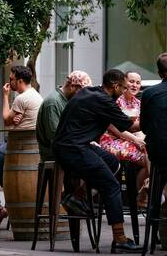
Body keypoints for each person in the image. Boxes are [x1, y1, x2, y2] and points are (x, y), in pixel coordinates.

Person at [52, 69, 140, 252]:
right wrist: (154, 118)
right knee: (112, 186)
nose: (124, 91)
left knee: (112, 162)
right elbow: (131, 126)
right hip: (73, 149)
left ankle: (78, 197)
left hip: (70, 144)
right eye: (123, 87)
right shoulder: (103, 100)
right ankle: (120, 238)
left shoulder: (89, 92)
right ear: (115, 86)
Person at [0, 65, 43, 230]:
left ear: (20, 81)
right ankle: (11, 201)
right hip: (21, 142)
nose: (9, 82)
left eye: (12, 79)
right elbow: (14, 121)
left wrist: (5, 96)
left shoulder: (22, 98)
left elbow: (6, 120)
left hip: (19, 145)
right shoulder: (34, 94)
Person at [99, 71, 150, 206]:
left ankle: (142, 192)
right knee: (147, 157)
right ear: (123, 82)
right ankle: (141, 195)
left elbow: (141, 128)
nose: (134, 85)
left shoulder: (139, 103)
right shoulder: (116, 100)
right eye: (131, 81)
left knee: (151, 153)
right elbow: (113, 128)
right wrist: (135, 139)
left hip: (131, 140)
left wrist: (141, 140)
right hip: (112, 140)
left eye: (138, 83)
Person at [141, 53, 167, 218]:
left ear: (159, 73)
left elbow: (144, 127)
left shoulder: (148, 94)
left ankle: (156, 197)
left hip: (157, 154)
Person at [36, 70, 92, 161]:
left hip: (68, 151)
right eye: (82, 92)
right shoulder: (53, 103)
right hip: (55, 155)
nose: (84, 96)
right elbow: (55, 136)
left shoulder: (69, 101)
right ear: (72, 86)